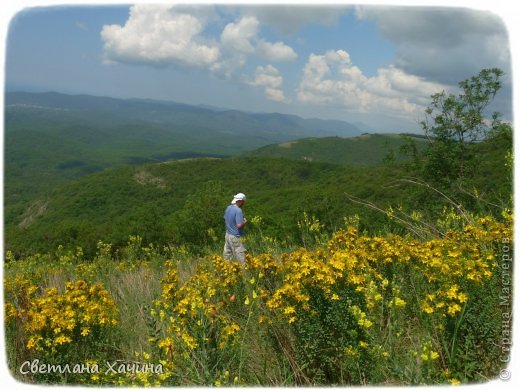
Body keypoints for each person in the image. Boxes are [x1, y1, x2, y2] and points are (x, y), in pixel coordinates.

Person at [223, 192, 248, 264]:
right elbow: (239, 225)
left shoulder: (228, 208)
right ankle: (243, 273)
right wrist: (245, 222)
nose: (243, 204)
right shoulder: (238, 210)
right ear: (240, 201)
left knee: (227, 256)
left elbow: (225, 219)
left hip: (227, 235)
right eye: (243, 202)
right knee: (241, 256)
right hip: (236, 236)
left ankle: (226, 271)